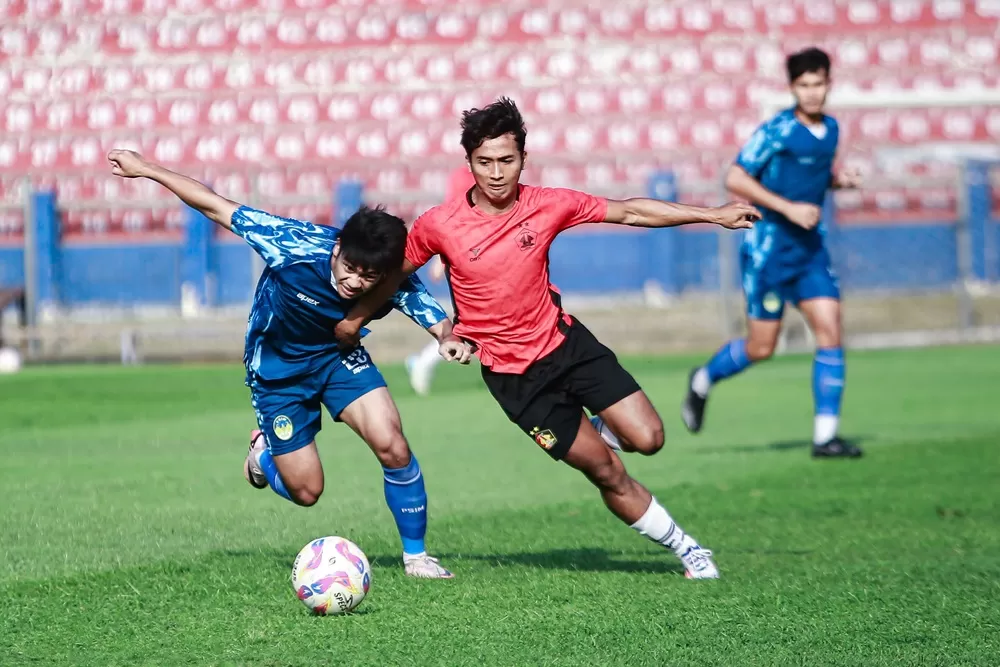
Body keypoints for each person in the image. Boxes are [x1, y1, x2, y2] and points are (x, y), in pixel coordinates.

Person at [332, 98, 760, 579]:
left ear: (523, 159)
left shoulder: (548, 204)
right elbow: (391, 277)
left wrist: (712, 214)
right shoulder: (440, 224)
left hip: (568, 347)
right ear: (469, 161)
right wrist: (355, 320)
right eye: (484, 162)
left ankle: (597, 431)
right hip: (516, 382)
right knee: (605, 471)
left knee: (649, 438)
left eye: (507, 161)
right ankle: (689, 551)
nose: (496, 173)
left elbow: (632, 212)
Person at [107, 149, 471, 579]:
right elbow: (212, 203)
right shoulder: (292, 243)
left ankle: (417, 558)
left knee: (392, 443)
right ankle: (261, 457)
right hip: (277, 374)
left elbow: (435, 317)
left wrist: (448, 340)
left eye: (368, 277)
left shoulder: (390, 277)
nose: (355, 282)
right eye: (349, 268)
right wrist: (146, 169)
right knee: (307, 491)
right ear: (337, 248)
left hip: (339, 360)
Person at [680, 47, 864, 459]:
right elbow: (735, 177)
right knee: (762, 347)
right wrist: (787, 209)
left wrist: (838, 182)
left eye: (819, 84)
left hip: (810, 252)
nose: (813, 92)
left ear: (829, 84)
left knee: (831, 331)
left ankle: (825, 437)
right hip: (768, 254)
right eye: (804, 85)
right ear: (792, 88)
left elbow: (809, 178)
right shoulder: (778, 130)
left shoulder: (831, 130)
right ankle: (704, 379)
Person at [405, 166, 477, 396]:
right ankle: (423, 361)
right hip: (467, 257)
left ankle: (423, 362)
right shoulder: (464, 178)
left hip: (482, 255)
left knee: (480, 324)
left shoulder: (494, 175)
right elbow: (452, 217)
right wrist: (440, 259)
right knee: (475, 323)